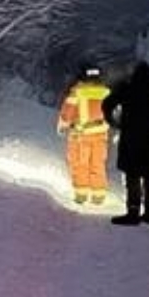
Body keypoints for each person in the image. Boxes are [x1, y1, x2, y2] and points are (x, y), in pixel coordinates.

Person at [101, 61, 149, 226]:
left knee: (132, 175)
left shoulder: (128, 89)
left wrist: (114, 123)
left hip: (131, 137)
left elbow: (106, 104)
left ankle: (133, 212)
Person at [56, 63, 111, 205]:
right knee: (98, 164)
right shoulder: (106, 92)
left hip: (80, 135)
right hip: (101, 135)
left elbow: (66, 114)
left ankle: (81, 194)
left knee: (80, 164)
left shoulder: (76, 92)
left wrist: (62, 126)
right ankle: (98, 196)